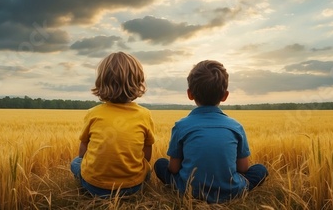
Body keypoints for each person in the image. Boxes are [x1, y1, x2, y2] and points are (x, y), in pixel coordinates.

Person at [154, 60, 268, 203]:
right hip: (231, 191)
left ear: (190, 94)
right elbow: (243, 168)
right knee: (260, 170)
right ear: (225, 96)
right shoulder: (236, 126)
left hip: (188, 190)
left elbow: (174, 168)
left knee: (160, 164)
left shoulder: (181, 125)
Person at [70, 51, 155, 197]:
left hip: (95, 187)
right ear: (138, 81)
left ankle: (89, 189)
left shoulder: (93, 113)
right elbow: (147, 153)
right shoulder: (145, 114)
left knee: (75, 163)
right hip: (132, 187)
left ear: (102, 81)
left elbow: (83, 149)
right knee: (147, 167)